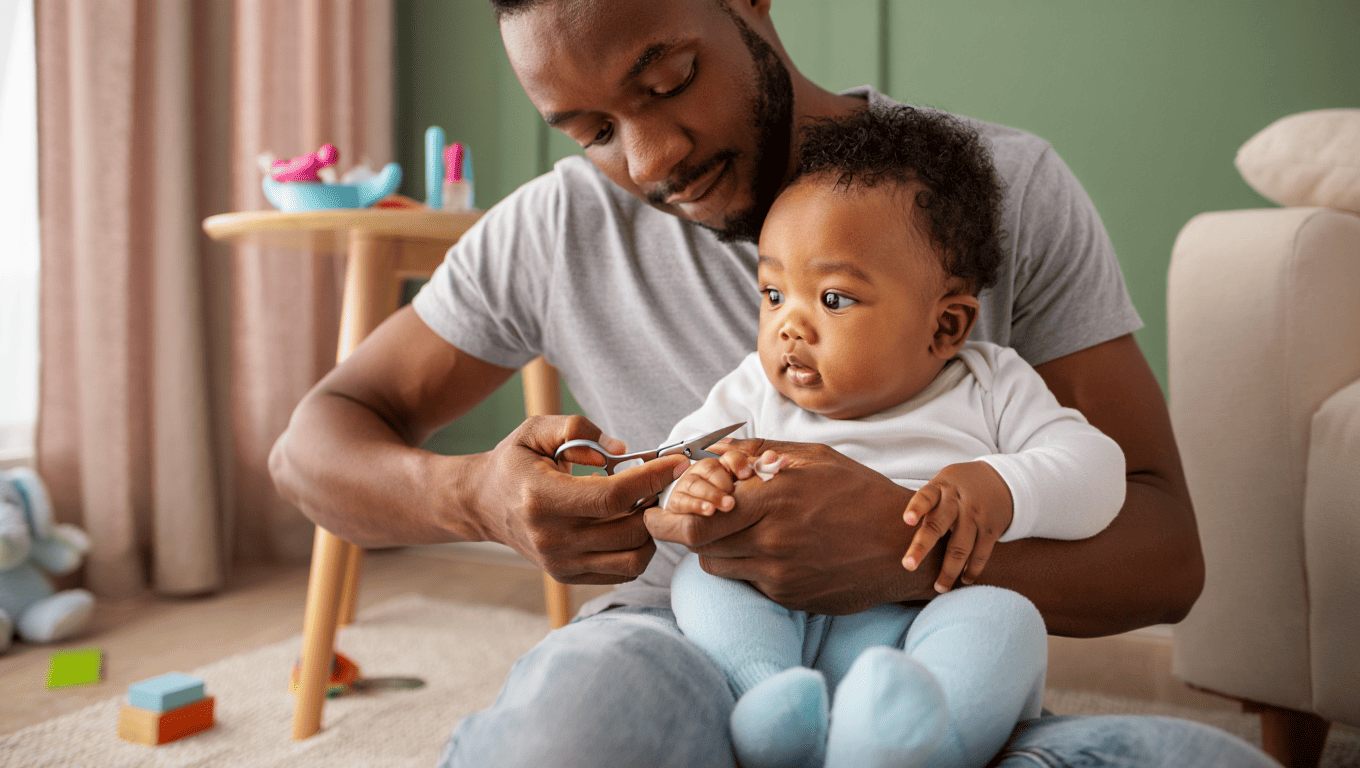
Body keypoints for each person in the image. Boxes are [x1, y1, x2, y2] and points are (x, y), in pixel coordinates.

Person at [266, 0, 1277, 765]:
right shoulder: (554, 228)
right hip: (678, 650)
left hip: (918, 673)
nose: (651, 156)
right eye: (593, 131)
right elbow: (312, 447)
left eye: (666, 81)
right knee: (574, 726)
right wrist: (473, 497)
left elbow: (1163, 555)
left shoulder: (995, 194)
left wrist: (900, 550)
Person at [661, 105, 1126, 768]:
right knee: (705, 579)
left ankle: (916, 744)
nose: (789, 326)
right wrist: (695, 484)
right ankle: (766, 702)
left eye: (833, 299)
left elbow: (1099, 470)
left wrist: (999, 486)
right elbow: (675, 461)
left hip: (919, 627)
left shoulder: (990, 385)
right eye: (772, 294)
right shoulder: (754, 392)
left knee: (1006, 621)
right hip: (780, 616)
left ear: (945, 327)